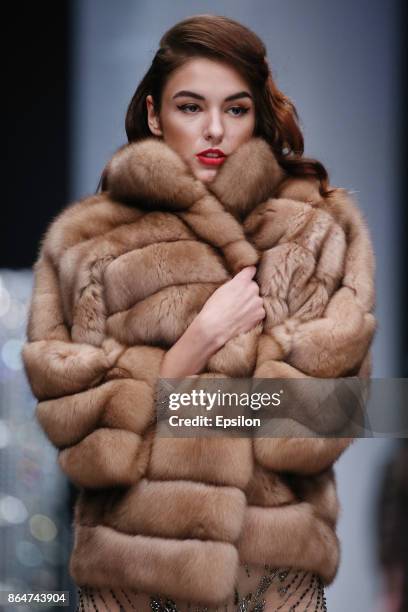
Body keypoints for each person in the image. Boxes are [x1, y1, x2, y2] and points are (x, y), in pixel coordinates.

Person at [22, 14, 376, 612]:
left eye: (236, 110)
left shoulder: (314, 230)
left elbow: (337, 414)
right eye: (191, 107)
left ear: (257, 116)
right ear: (156, 115)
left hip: (273, 584)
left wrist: (155, 400)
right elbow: (80, 440)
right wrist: (197, 345)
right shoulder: (87, 243)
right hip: (129, 583)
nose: (215, 128)